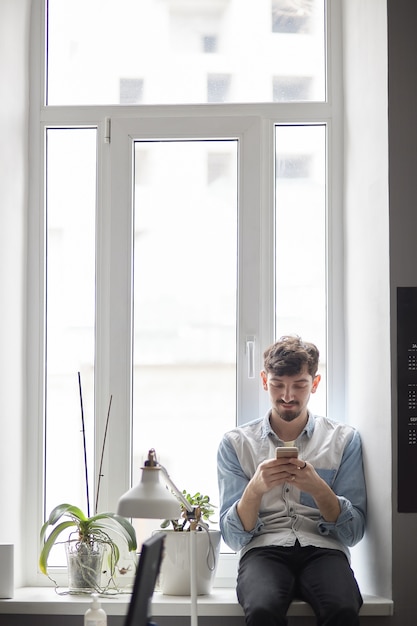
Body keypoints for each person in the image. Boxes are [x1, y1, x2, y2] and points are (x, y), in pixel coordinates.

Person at [217, 335, 367, 626]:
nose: (288, 396)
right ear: (264, 380)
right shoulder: (235, 444)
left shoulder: (343, 440)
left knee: (343, 609)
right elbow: (234, 538)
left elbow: (353, 533)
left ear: (315, 382)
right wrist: (255, 489)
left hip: (324, 550)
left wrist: (318, 489)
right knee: (262, 610)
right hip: (263, 549)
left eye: (299, 385)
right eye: (277, 385)